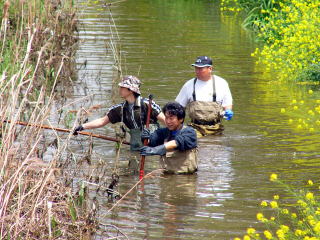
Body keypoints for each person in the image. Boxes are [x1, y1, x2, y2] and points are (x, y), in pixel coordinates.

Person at [73, 75, 166, 151]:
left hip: (155, 146)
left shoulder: (148, 104)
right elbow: (102, 121)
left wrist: (174, 137)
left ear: (131, 90)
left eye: (122, 87)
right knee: (133, 171)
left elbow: (166, 121)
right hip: (136, 145)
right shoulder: (119, 109)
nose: (119, 89)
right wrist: (82, 127)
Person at [175, 56, 233, 137]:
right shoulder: (189, 85)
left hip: (216, 128)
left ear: (210, 69)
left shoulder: (222, 83)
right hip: (195, 128)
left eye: (200, 69)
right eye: (196, 68)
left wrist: (228, 111)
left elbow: (227, 104)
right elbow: (178, 108)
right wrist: (176, 127)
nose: (197, 71)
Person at [140, 102, 198, 174]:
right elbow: (151, 142)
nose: (168, 121)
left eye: (171, 118)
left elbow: (176, 143)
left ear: (181, 119)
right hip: (167, 175)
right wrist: (145, 138)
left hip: (186, 178)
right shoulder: (163, 132)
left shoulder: (190, 132)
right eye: (166, 118)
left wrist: (154, 150)